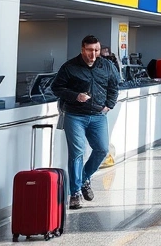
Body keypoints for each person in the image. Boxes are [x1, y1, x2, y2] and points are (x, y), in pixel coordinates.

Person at [51, 35, 121, 210]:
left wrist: (109, 105)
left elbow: (114, 86)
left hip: (98, 115)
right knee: (77, 153)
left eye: (96, 50)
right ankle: (75, 193)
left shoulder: (107, 66)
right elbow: (56, 88)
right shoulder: (69, 67)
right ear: (82, 49)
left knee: (102, 149)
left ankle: (83, 179)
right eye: (90, 50)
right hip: (75, 115)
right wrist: (76, 96)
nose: (93, 54)